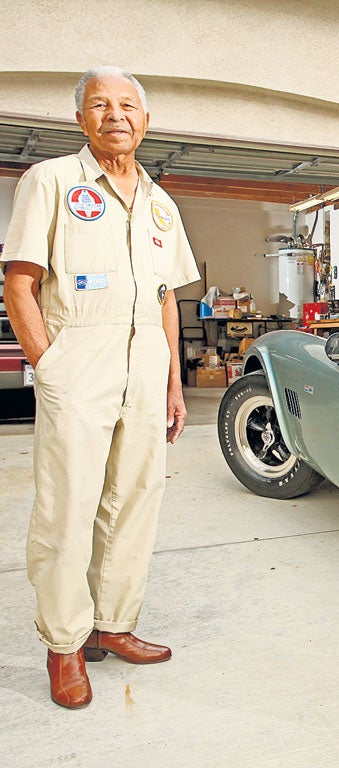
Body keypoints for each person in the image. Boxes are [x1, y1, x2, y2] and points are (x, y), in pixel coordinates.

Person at [1, 66, 200, 709]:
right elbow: (19, 284)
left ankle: (111, 626)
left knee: (135, 499)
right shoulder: (53, 181)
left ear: (144, 120)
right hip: (77, 361)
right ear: (82, 118)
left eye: (128, 106)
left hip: (146, 366)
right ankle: (64, 644)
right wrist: (49, 367)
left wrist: (173, 380)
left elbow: (168, 296)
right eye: (100, 104)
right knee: (69, 507)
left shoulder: (161, 203)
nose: (116, 115)